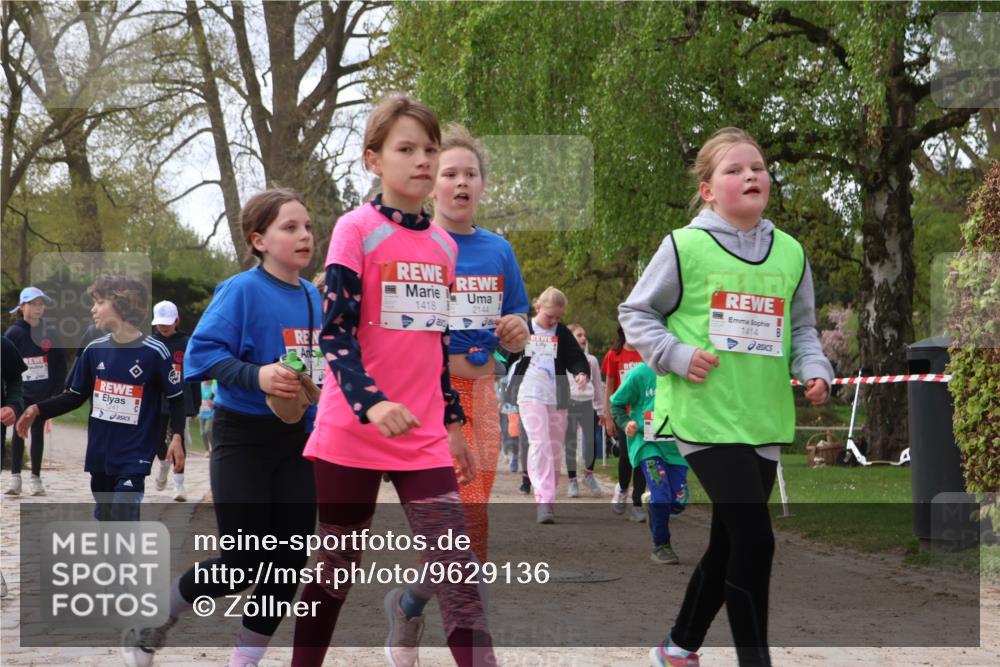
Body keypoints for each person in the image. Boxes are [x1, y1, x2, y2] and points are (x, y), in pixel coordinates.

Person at [291, 94, 495, 667]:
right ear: (373, 160)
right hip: (352, 431)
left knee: (457, 573)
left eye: (430, 149)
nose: (424, 161)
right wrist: (373, 404)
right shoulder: (354, 230)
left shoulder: (445, 246)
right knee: (335, 571)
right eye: (407, 149)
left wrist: (453, 422)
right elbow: (334, 335)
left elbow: (435, 348)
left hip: (423, 437)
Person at [619, 127, 833, 667]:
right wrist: (676, 354)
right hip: (703, 416)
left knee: (730, 543)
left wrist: (815, 369)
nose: (751, 175)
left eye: (757, 167)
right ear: (708, 190)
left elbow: (803, 330)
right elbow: (636, 314)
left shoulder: (790, 252)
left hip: (762, 418)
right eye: (734, 170)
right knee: (756, 541)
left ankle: (677, 647)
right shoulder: (684, 245)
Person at [119, 188, 322, 667]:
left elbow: (317, 366)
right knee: (243, 562)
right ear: (258, 239)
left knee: (288, 563)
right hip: (242, 438)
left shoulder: (314, 296)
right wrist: (258, 375)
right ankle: (153, 622)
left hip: (297, 442)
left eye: (308, 227)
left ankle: (244, 662)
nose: (304, 235)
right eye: (290, 227)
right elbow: (204, 355)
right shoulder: (241, 290)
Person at [16, 275, 185, 522]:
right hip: (100, 455)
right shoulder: (95, 350)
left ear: (121, 304)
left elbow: (177, 398)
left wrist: (177, 436)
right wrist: (36, 409)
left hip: (134, 456)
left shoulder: (155, 352)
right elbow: (74, 396)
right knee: (106, 521)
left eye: (99, 302)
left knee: (123, 516)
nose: (93, 308)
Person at [506, 287, 590, 524]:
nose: (553, 321)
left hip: (557, 394)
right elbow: (507, 354)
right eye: (549, 316)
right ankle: (543, 500)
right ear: (538, 307)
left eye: (558, 317)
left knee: (553, 448)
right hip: (529, 391)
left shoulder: (562, 333)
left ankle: (548, 499)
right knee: (540, 443)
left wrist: (581, 372)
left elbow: (575, 357)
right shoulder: (525, 329)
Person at [609, 362, 688, 564]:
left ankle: (653, 505)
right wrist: (627, 423)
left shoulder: (684, 370)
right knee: (661, 494)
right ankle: (661, 545)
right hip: (647, 444)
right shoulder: (640, 373)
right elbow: (616, 403)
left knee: (679, 501)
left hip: (676, 447)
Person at [4, 287, 67, 496]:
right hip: (21, 395)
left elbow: (59, 364)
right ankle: (15, 478)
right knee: (19, 432)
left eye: (41, 304)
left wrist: (57, 392)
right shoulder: (13, 333)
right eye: (33, 304)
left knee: (38, 434)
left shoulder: (51, 332)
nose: (38, 308)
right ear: (22, 307)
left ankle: (36, 478)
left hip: (43, 395)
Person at [150, 300, 200, 501]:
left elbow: (195, 374)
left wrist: (195, 403)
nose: (164, 326)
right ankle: (163, 463)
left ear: (177, 320)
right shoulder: (150, 343)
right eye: (160, 322)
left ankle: (179, 485)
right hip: (158, 400)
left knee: (178, 439)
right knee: (157, 439)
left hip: (181, 399)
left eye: (168, 322)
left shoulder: (187, 343)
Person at [602, 325, 647, 521]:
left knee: (643, 458)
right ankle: (621, 488)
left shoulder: (647, 354)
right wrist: (608, 418)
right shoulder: (614, 355)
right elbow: (609, 388)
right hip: (623, 415)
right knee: (627, 458)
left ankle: (637, 504)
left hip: (644, 416)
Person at [564, 323, 605, 498]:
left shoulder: (592, 360)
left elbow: (597, 385)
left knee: (592, 442)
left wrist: (601, 411)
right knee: (571, 444)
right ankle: (572, 481)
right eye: (579, 335)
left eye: (584, 335)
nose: (583, 338)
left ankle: (589, 474)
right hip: (570, 405)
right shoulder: (563, 359)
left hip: (588, 405)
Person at [198, 379, 216, 452]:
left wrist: (213, 402)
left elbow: (218, 398)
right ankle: (207, 450)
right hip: (202, 412)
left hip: (211, 413)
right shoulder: (200, 386)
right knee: (202, 433)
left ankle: (213, 447)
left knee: (208, 430)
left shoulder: (214, 386)